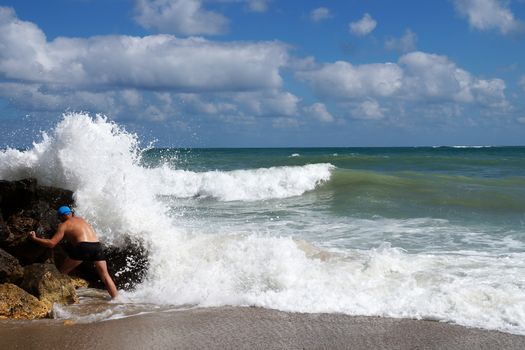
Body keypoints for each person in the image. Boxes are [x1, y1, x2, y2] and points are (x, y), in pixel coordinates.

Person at [29, 206, 118, 299]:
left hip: (83, 247)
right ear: (71, 213)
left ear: (61, 217)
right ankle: (117, 299)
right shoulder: (82, 220)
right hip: (97, 246)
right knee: (105, 276)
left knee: (62, 273)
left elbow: (52, 243)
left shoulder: (64, 225)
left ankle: (63, 300)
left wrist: (34, 239)